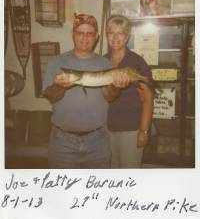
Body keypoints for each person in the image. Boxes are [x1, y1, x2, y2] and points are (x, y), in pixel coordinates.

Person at [42, 13, 129, 169]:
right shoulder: (57, 62)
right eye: (80, 33)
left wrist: (116, 86)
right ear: (73, 34)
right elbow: (51, 97)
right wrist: (59, 86)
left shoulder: (105, 63)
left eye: (90, 33)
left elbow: (110, 97)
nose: (85, 37)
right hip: (63, 142)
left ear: (96, 37)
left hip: (98, 143)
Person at [105, 14, 154, 168]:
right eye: (111, 32)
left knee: (128, 175)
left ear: (127, 37)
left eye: (120, 33)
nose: (115, 37)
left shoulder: (136, 62)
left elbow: (147, 99)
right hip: (106, 130)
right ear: (106, 35)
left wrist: (144, 131)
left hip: (131, 130)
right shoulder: (101, 61)